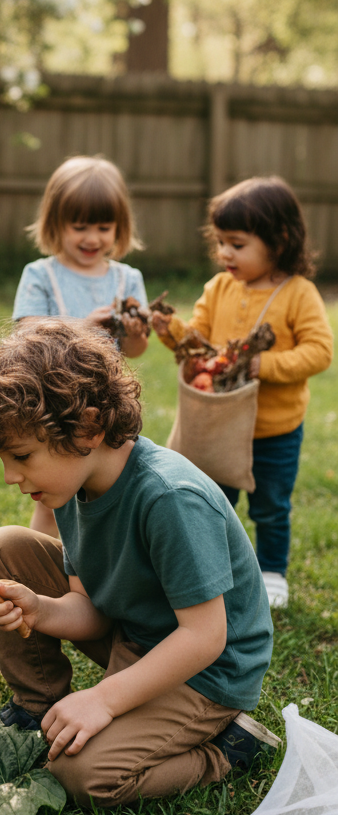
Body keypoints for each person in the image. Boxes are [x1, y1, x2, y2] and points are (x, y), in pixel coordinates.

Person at [0, 319, 277, 812]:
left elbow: (205, 637)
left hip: (204, 672)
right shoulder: (72, 485)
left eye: (22, 455)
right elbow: (89, 608)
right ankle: (36, 709)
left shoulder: (170, 497)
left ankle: (229, 750)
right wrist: (40, 610)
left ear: (89, 428)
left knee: (80, 774)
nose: (11, 477)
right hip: (135, 635)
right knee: (7, 547)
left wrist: (104, 699)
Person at [152, 176, 333, 611]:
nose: (224, 254)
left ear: (279, 240)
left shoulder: (298, 295)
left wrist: (263, 365)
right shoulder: (219, 289)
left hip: (275, 429)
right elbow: (197, 342)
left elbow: (320, 351)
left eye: (236, 244)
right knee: (215, 500)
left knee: (271, 504)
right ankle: (217, 567)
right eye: (220, 243)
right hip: (221, 423)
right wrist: (172, 332)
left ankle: (271, 570)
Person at [12, 154, 149, 537]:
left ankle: (101, 561)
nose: (92, 238)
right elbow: (26, 333)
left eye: (104, 227)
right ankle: (42, 555)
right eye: (80, 226)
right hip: (53, 404)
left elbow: (135, 351)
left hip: (108, 404)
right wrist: (83, 325)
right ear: (55, 223)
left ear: (120, 227)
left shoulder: (127, 279)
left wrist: (136, 333)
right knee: (53, 492)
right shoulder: (41, 274)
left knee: (111, 489)